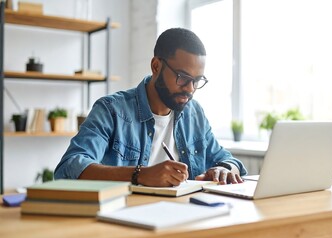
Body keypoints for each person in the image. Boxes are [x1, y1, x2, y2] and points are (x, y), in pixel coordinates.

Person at [54, 28, 247, 187]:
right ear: (156, 66)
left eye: (197, 81)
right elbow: (69, 168)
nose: (190, 89)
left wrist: (225, 168)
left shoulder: (193, 113)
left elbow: (228, 160)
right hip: (124, 219)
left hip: (184, 216)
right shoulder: (111, 110)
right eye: (183, 77)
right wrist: (140, 175)